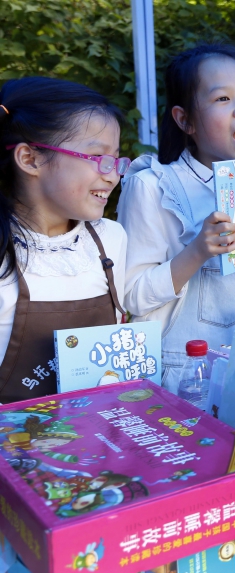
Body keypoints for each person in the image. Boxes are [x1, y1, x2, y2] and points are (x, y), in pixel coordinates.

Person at [118, 44, 235, 393]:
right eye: (222, 99)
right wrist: (196, 252)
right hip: (175, 379)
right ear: (184, 119)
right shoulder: (153, 186)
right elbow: (131, 296)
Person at [0, 78, 129, 402]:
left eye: (116, 159)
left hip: (100, 443)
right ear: (30, 159)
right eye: (98, 157)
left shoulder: (110, 240)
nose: (112, 174)